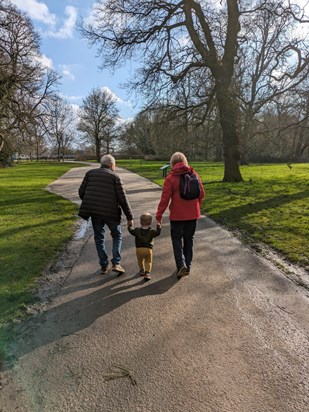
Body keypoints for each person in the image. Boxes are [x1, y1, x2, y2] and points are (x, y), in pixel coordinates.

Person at [78, 154, 134, 275]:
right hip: (111, 212)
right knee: (117, 235)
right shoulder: (115, 177)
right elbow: (122, 198)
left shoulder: (90, 174)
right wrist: (129, 217)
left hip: (95, 212)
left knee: (99, 237)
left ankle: (104, 265)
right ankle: (116, 263)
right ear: (111, 165)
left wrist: (90, 202)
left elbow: (81, 192)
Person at [156, 152, 205, 279]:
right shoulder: (194, 174)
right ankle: (188, 265)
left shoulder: (170, 178)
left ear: (172, 163)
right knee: (189, 239)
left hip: (177, 216)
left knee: (177, 239)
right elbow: (201, 194)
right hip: (193, 214)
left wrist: (158, 216)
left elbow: (164, 200)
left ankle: (180, 264)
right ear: (185, 161)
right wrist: (196, 207)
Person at [128, 212, 161, 281]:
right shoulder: (151, 231)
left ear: (140, 222)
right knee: (148, 261)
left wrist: (130, 226)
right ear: (151, 222)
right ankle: (147, 273)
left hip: (139, 249)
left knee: (140, 260)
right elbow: (157, 233)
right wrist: (158, 227)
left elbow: (131, 231)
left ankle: (141, 270)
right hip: (148, 249)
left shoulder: (137, 230)